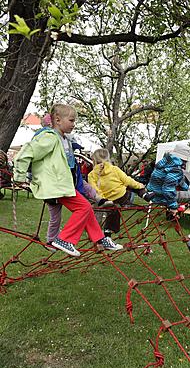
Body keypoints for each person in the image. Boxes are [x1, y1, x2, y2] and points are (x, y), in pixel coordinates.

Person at [14, 103, 123, 257]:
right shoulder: (50, 138)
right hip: (56, 186)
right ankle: (64, 239)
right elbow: (28, 151)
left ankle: (99, 238)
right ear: (57, 120)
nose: (74, 124)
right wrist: (19, 175)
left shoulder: (65, 140)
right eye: (71, 120)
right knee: (83, 208)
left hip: (65, 185)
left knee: (86, 209)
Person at [88, 148, 153, 235]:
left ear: (94, 160)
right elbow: (127, 180)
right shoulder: (114, 169)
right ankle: (145, 195)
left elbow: (95, 190)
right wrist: (140, 186)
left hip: (110, 200)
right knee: (132, 184)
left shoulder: (91, 175)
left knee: (112, 210)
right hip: (123, 195)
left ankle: (108, 230)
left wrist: (104, 199)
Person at [147, 145, 190, 229]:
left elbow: (179, 180)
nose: (185, 163)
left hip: (152, 192)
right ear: (183, 159)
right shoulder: (176, 168)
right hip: (160, 196)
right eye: (185, 161)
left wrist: (187, 189)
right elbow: (168, 190)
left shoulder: (165, 162)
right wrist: (173, 206)